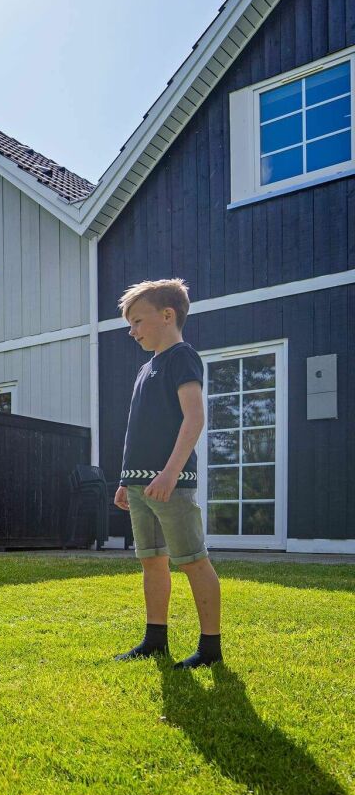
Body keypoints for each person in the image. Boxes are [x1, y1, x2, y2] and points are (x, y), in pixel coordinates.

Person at [113, 279, 222, 669]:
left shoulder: (182, 357)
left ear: (167, 315)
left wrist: (170, 473)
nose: (133, 331)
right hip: (141, 485)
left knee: (192, 560)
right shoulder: (147, 368)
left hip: (169, 485)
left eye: (138, 321)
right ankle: (155, 639)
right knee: (152, 561)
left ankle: (210, 648)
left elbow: (194, 418)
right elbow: (140, 427)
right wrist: (128, 479)